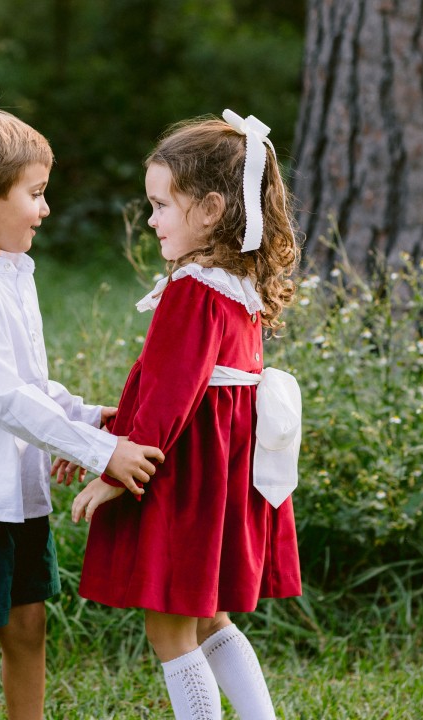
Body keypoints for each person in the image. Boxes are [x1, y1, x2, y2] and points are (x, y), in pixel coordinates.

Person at [0, 107, 164, 720]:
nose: (45, 208)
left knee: (27, 625)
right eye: (37, 193)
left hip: (16, 493)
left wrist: (88, 416)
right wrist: (98, 452)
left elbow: (31, 383)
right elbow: (6, 400)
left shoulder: (11, 272)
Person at [71, 110, 303, 720]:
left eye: (159, 205)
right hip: (222, 483)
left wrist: (115, 468)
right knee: (211, 621)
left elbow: (172, 397)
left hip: (186, 482)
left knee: (171, 634)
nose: (150, 220)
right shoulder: (238, 289)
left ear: (210, 208)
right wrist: (110, 423)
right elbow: (190, 390)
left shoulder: (195, 290)